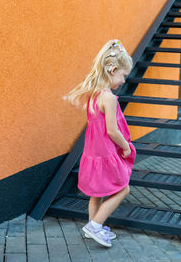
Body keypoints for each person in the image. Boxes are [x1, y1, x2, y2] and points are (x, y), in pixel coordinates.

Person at [63, 39, 136, 247]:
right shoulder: (109, 98)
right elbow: (112, 130)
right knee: (123, 189)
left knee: (96, 194)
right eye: (123, 75)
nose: (123, 80)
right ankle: (95, 225)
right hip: (106, 156)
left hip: (93, 155)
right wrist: (125, 146)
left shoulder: (93, 96)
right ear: (112, 70)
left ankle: (92, 227)